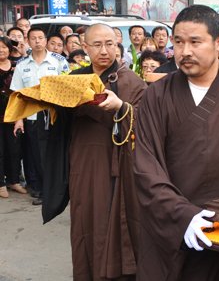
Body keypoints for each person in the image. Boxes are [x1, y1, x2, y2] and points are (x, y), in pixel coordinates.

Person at [133, 4, 219, 280]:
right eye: (178, 42)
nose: (185, 51)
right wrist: (183, 215)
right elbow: (146, 166)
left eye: (195, 42)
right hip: (168, 221)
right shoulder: (157, 95)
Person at [46, 23, 146, 280]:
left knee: (116, 224)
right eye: (97, 45)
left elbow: (146, 124)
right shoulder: (73, 80)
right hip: (83, 162)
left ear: (117, 45)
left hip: (119, 165)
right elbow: (60, 121)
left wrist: (121, 107)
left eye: (110, 44)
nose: (104, 51)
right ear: (85, 47)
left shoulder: (131, 81)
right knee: (85, 220)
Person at [10, 27, 69, 205]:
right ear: (27, 41)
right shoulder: (22, 65)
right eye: (33, 38)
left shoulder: (59, 61)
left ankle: (59, 190)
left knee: (57, 153)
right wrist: (18, 119)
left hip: (55, 114)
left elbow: (67, 86)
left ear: (45, 40)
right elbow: (17, 95)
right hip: (33, 117)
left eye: (40, 38)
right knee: (38, 155)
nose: (37, 41)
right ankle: (44, 190)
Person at [0, 37, 25, 198]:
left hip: (13, 113)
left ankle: (14, 180)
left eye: (4, 47)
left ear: (10, 49)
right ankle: (1, 183)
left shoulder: (17, 67)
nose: (1, 50)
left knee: (14, 149)